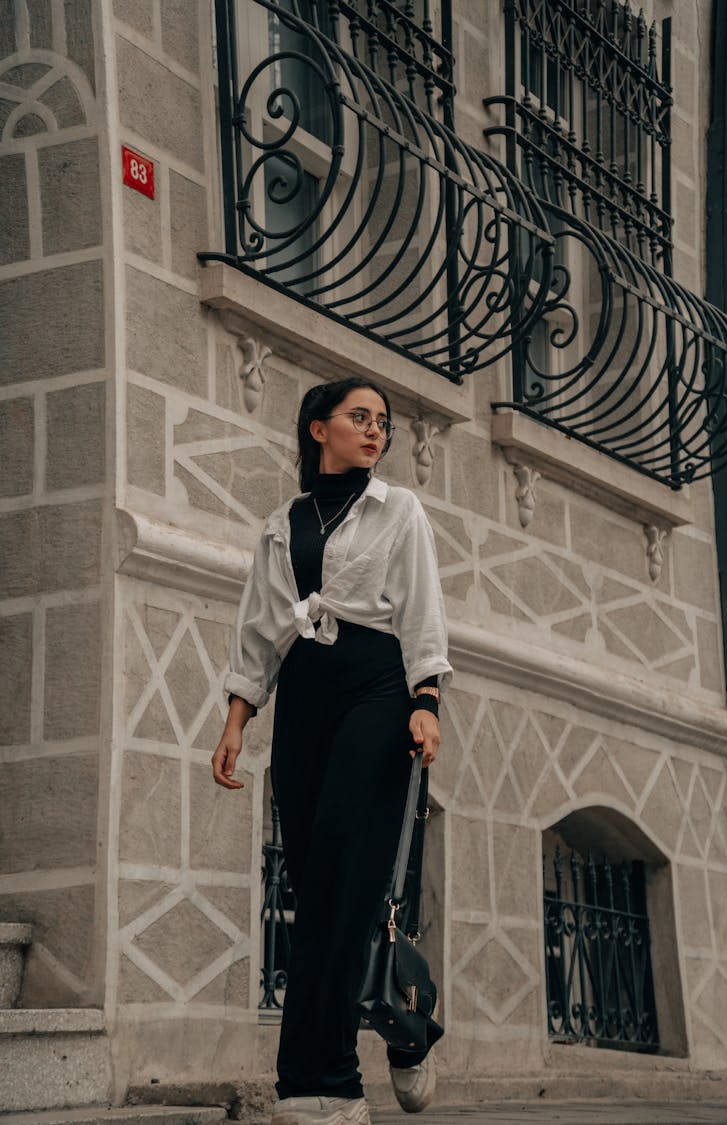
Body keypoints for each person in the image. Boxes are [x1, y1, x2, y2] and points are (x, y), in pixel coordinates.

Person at [211, 376, 452, 1125]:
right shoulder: (282, 524)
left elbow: (422, 609)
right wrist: (237, 718)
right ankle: (337, 1065)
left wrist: (426, 701)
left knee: (348, 874)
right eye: (359, 417)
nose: (375, 430)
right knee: (315, 888)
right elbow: (260, 628)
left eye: (383, 421)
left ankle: (335, 1082)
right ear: (318, 428)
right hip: (305, 699)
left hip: (378, 691)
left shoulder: (399, 511)